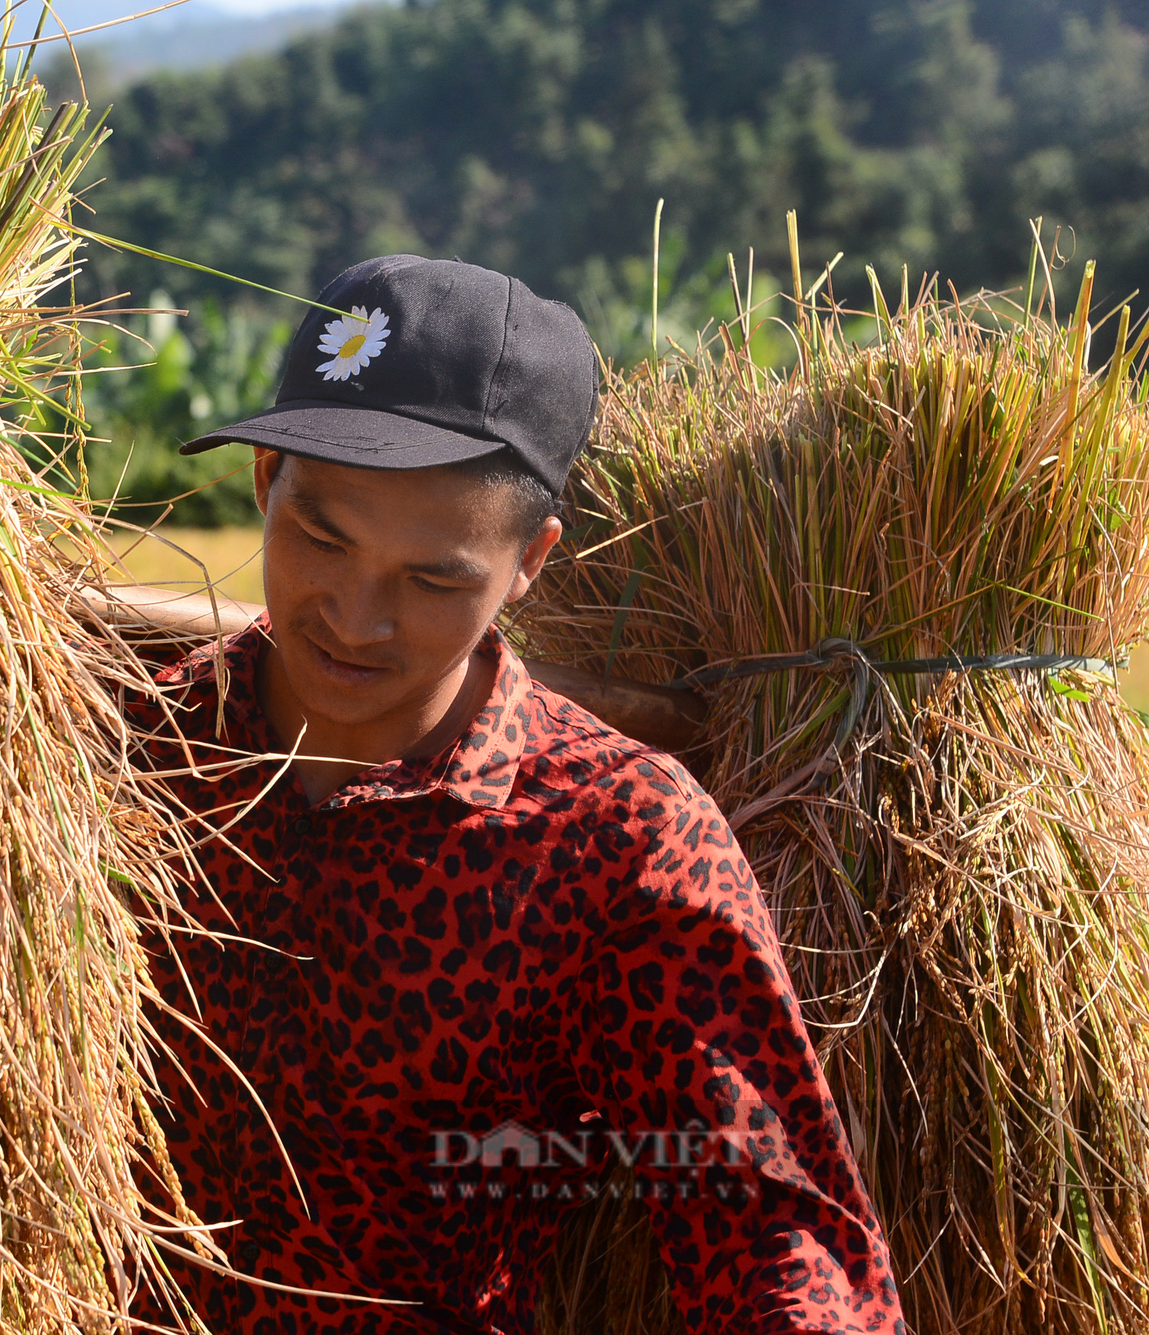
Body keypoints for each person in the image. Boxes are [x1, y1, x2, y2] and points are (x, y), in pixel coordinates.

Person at [116, 255, 910, 1333]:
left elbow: (768, 1227)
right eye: (320, 538)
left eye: (433, 578)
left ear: (528, 562)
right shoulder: (127, 760)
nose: (355, 616)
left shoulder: (611, 836)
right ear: (264, 480)